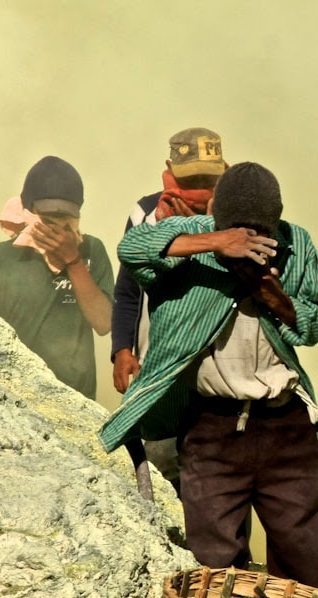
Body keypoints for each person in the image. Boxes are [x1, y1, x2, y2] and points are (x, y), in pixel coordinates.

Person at [100, 162, 318, 590]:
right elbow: (132, 250)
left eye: (258, 232)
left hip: (287, 428)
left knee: (302, 563)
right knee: (214, 566)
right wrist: (214, 243)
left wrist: (272, 296)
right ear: (218, 217)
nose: (248, 240)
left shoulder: (296, 243)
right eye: (237, 230)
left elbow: (316, 324)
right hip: (212, 427)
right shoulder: (196, 237)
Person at [111, 127, 226, 494]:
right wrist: (122, 349)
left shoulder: (236, 212)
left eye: (210, 178)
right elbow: (128, 288)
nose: (200, 188)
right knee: (164, 476)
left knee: (221, 479)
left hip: (220, 373)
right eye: (192, 179)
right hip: (158, 367)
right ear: (170, 170)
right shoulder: (146, 213)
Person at [0, 156, 114, 400]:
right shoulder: (3, 257)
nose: (57, 228)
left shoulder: (91, 251)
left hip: (75, 398)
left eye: (66, 219)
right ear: (29, 211)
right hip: (15, 397)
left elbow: (104, 323)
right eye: (47, 219)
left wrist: (73, 261)